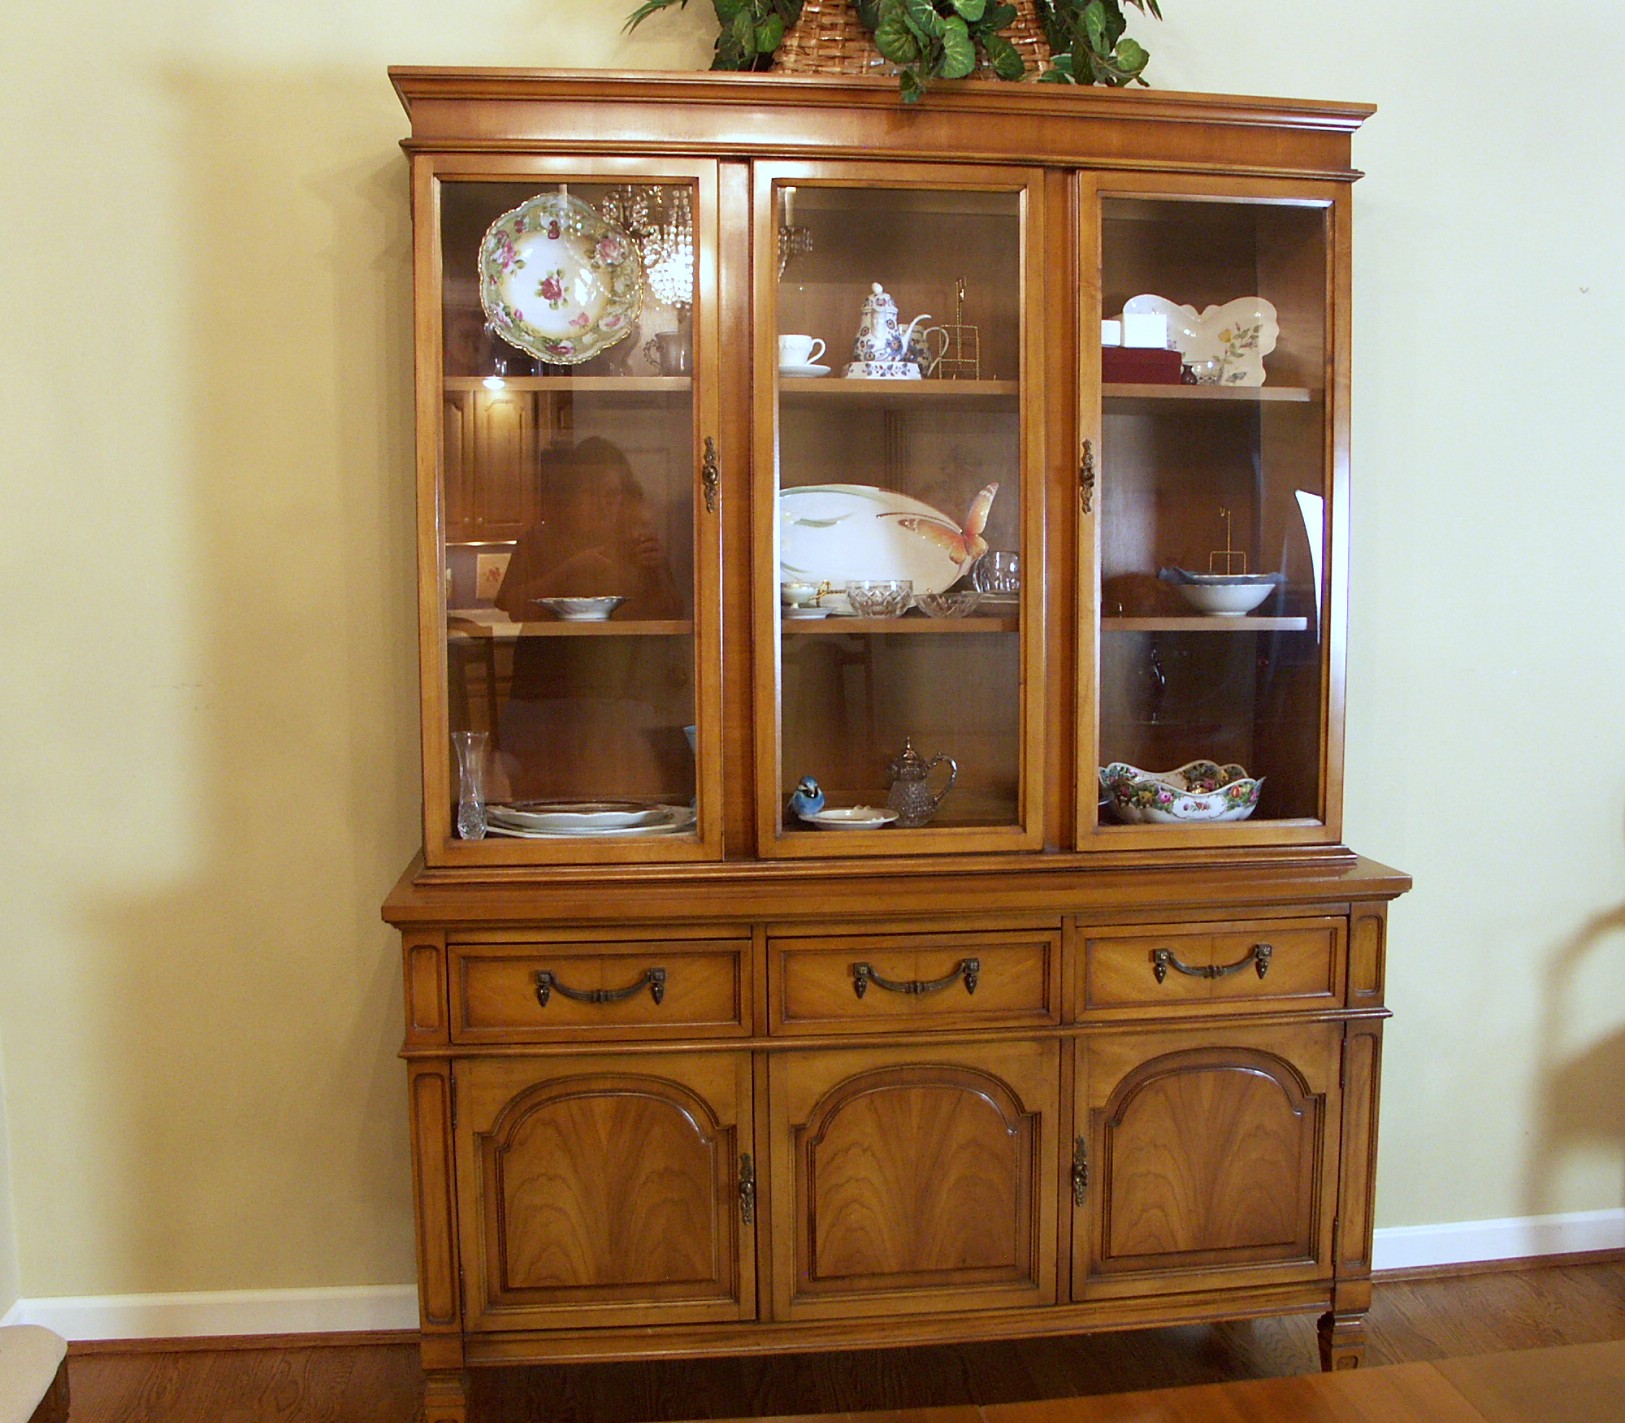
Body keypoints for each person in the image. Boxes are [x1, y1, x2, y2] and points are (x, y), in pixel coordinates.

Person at [491, 438, 688, 801]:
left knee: (622, 804)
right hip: (543, 701)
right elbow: (512, 606)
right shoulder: (539, 540)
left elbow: (672, 612)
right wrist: (568, 570)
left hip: (619, 704)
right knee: (542, 805)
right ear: (569, 497)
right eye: (592, 493)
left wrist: (658, 568)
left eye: (613, 495)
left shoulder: (637, 544)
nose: (604, 505)